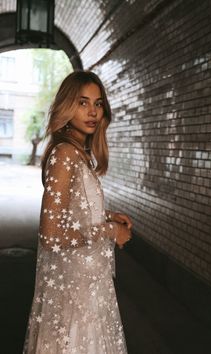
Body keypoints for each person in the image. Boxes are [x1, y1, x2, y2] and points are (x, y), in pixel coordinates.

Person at [23, 70, 133, 354]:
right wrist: (109, 231)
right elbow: (50, 235)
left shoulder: (78, 153)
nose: (92, 112)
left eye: (98, 104)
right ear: (67, 105)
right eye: (83, 103)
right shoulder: (64, 155)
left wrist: (108, 216)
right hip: (75, 291)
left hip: (89, 285)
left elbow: (74, 211)